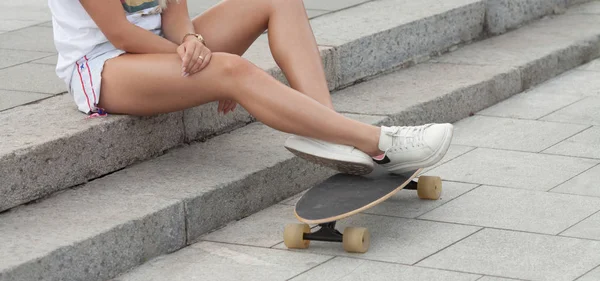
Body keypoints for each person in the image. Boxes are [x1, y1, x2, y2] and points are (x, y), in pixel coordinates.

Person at [47, 0, 454, 175]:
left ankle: (327, 133)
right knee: (232, 70)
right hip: (104, 66)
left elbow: (175, 17)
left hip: (163, 48)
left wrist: (193, 42)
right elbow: (121, 34)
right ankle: (376, 140)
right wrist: (207, 68)